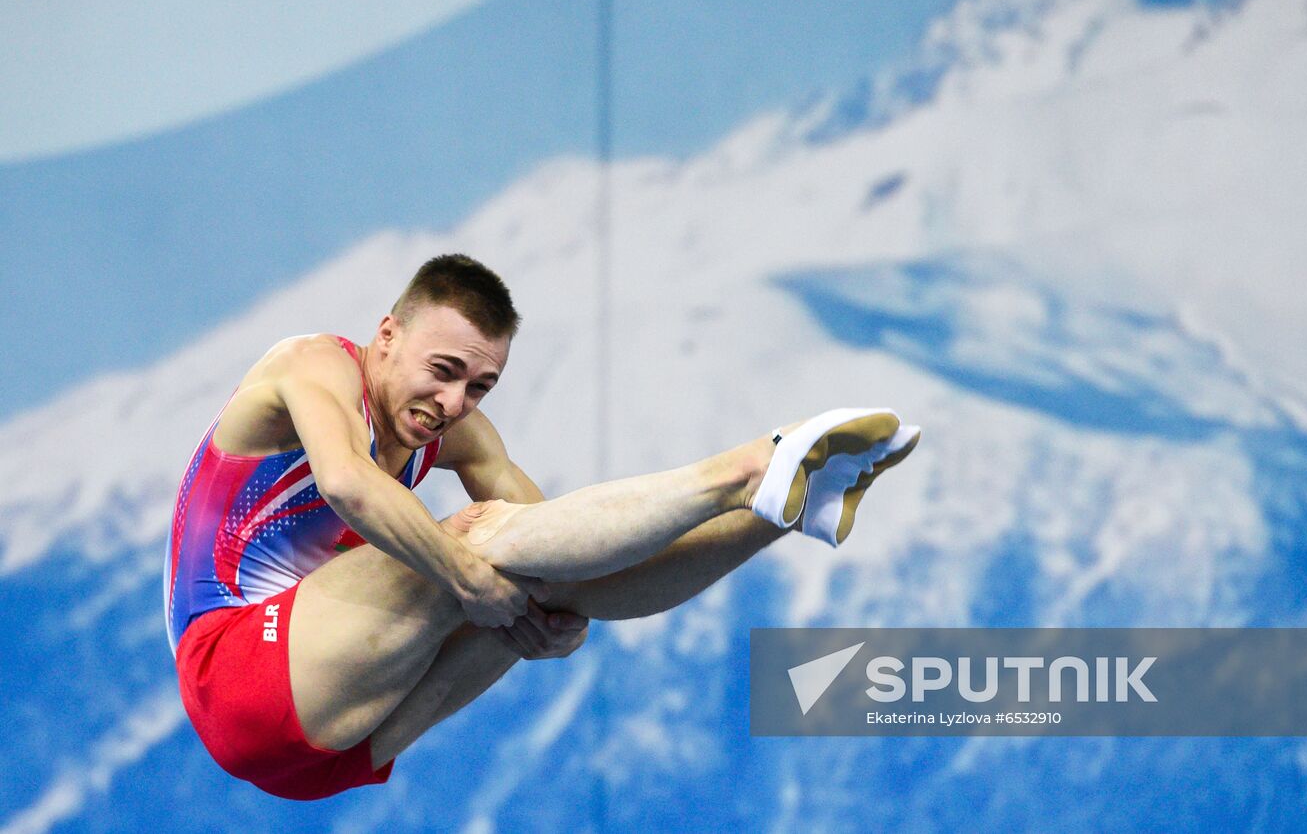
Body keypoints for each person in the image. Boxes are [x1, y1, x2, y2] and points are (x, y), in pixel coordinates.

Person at [163, 253, 920, 801]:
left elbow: (556, 543)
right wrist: (466, 577)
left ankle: (784, 507)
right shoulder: (313, 366)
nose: (454, 402)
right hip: (234, 672)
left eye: (479, 385)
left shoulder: (455, 429)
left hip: (333, 752)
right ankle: (746, 467)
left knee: (539, 574)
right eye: (444, 368)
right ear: (386, 335)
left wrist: (562, 616)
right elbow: (348, 483)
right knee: (473, 541)